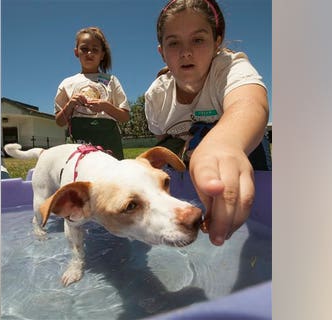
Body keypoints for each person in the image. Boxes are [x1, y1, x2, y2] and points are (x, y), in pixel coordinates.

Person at [145, 0, 271, 246]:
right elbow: (162, 142)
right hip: (189, 148)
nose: (186, 52)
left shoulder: (230, 67)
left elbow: (250, 104)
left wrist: (224, 144)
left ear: (217, 43)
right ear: (162, 52)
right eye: (174, 43)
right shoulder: (157, 96)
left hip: (239, 148)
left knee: (259, 209)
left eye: (198, 40)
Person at [54, 26, 130, 159]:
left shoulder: (111, 80)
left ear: (102, 55)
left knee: (111, 178)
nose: (89, 53)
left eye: (95, 49)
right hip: (80, 144)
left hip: (110, 145)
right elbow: (60, 122)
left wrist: (105, 106)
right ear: (76, 52)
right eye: (84, 49)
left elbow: (124, 117)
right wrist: (70, 105)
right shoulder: (67, 83)